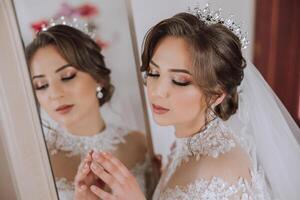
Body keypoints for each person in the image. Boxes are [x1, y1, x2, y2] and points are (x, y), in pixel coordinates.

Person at [74, 8, 300, 200]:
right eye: (153, 73)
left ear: (217, 94)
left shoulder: (220, 168)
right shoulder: (187, 143)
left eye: (180, 81)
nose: (158, 91)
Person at [25, 24, 148, 200]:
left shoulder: (140, 145)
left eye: (67, 76)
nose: (54, 94)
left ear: (97, 77)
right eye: (41, 85)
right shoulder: (35, 161)